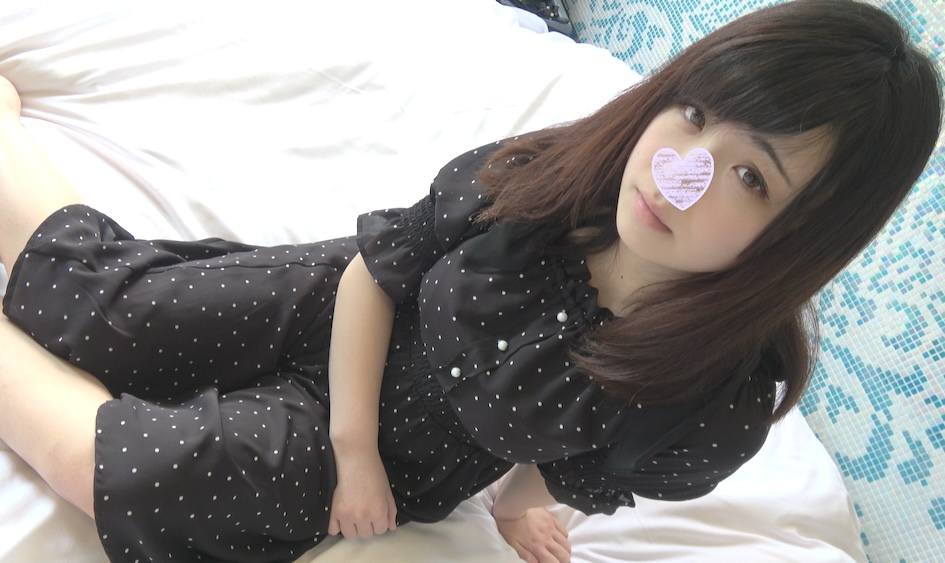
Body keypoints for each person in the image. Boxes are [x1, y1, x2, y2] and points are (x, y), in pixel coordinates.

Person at [0, 0, 940, 561]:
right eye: (693, 113)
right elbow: (373, 275)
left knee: (120, 472)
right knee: (109, 309)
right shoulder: (542, 184)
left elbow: (571, 465)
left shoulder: (709, 405)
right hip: (333, 316)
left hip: (406, 459)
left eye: (749, 177)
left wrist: (517, 506)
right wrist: (353, 445)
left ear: (803, 236)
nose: (678, 172)